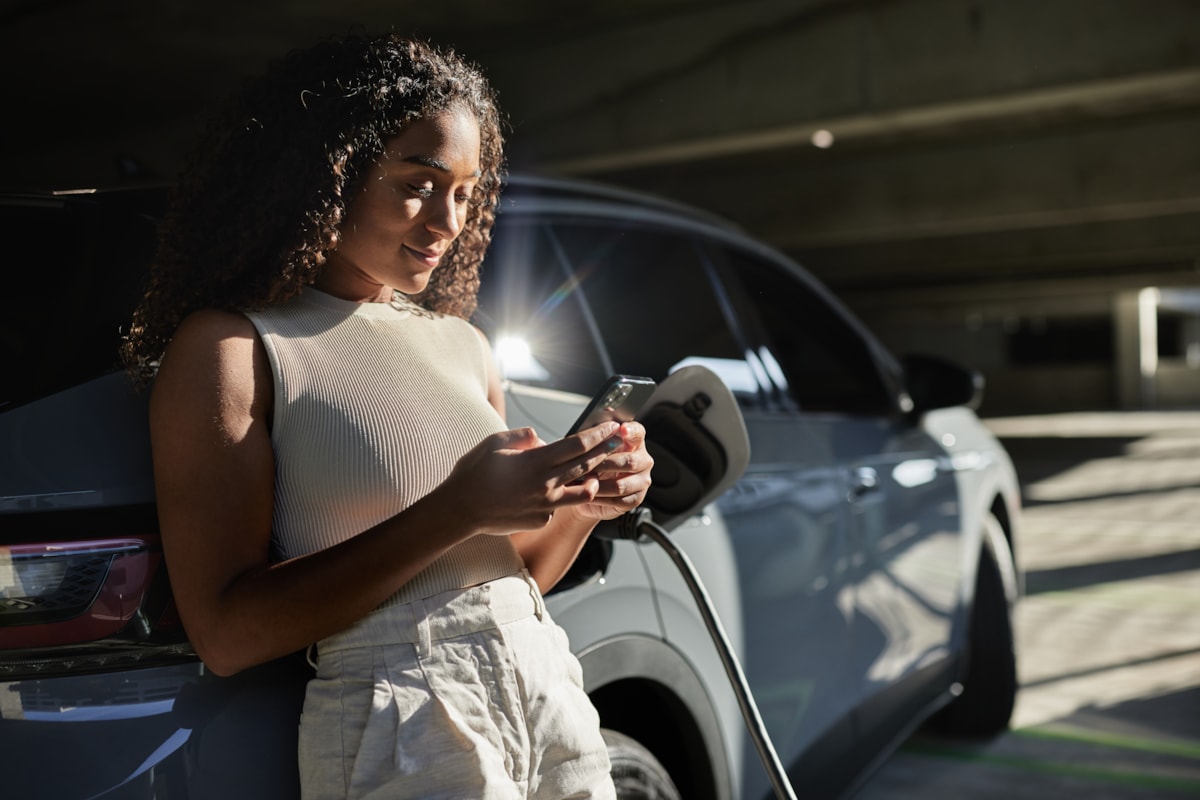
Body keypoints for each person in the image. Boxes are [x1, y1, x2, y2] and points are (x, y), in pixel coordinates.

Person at [121, 33, 652, 800]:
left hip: (547, 692)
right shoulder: (234, 347)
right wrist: (460, 506)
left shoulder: (466, 346)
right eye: (417, 184)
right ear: (326, 175)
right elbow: (229, 632)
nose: (448, 222)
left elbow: (515, 574)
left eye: (466, 193)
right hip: (403, 722)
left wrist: (584, 506)